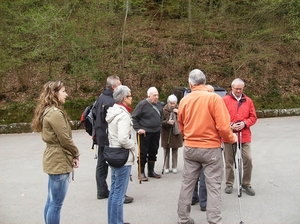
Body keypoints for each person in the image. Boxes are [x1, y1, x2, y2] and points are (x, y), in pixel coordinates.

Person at [177, 69, 237, 224]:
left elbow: (181, 125)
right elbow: (224, 127)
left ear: (190, 83)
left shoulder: (184, 100)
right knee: (214, 186)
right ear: (204, 81)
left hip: (190, 147)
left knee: (187, 184)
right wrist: (231, 138)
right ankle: (214, 220)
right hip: (211, 148)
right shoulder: (214, 99)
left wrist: (188, 137)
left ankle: (183, 218)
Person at [31, 80, 80, 224]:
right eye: (63, 91)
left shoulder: (48, 111)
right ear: (54, 93)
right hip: (59, 159)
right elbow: (64, 139)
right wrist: (76, 153)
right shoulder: (55, 113)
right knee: (56, 204)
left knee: (51, 201)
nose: (66, 94)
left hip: (54, 157)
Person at [94, 75, 133, 203]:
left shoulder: (100, 98)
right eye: (120, 83)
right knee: (114, 165)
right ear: (114, 87)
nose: (121, 84)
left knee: (101, 164)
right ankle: (117, 193)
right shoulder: (111, 102)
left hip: (101, 135)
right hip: (108, 138)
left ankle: (102, 190)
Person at [105, 85, 136, 224]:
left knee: (114, 191)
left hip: (113, 154)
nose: (131, 98)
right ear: (124, 98)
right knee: (119, 193)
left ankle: (114, 221)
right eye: (130, 96)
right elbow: (123, 138)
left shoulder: (113, 112)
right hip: (123, 157)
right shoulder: (123, 115)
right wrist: (134, 147)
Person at [223, 78, 257, 196]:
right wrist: (230, 125)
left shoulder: (248, 101)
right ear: (232, 88)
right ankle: (229, 183)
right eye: (236, 89)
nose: (238, 91)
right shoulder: (225, 100)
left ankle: (246, 183)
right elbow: (220, 117)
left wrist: (244, 123)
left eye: (240, 89)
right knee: (229, 161)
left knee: (248, 159)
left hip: (244, 135)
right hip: (229, 135)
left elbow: (253, 117)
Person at [191, 84, 214, 211]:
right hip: (208, 146)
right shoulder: (213, 104)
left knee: (193, 175)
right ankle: (204, 202)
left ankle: (194, 198)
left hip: (192, 144)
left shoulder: (192, 102)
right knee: (205, 175)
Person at [132, 87, 163, 181]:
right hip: (144, 133)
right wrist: (138, 129)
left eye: (157, 95)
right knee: (142, 153)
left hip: (156, 132)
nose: (156, 97)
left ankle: (151, 171)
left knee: (153, 152)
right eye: (154, 95)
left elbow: (161, 116)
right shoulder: (142, 105)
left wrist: (160, 125)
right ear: (149, 96)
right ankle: (141, 172)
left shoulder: (159, 105)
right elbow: (134, 117)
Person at [161, 94, 183, 174]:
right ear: (168, 103)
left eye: (174, 103)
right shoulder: (164, 110)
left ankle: (174, 166)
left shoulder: (179, 109)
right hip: (166, 133)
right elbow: (161, 122)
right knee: (166, 150)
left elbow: (184, 119)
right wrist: (167, 122)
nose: (172, 105)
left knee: (175, 150)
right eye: (171, 103)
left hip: (176, 133)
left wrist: (179, 113)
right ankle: (166, 167)